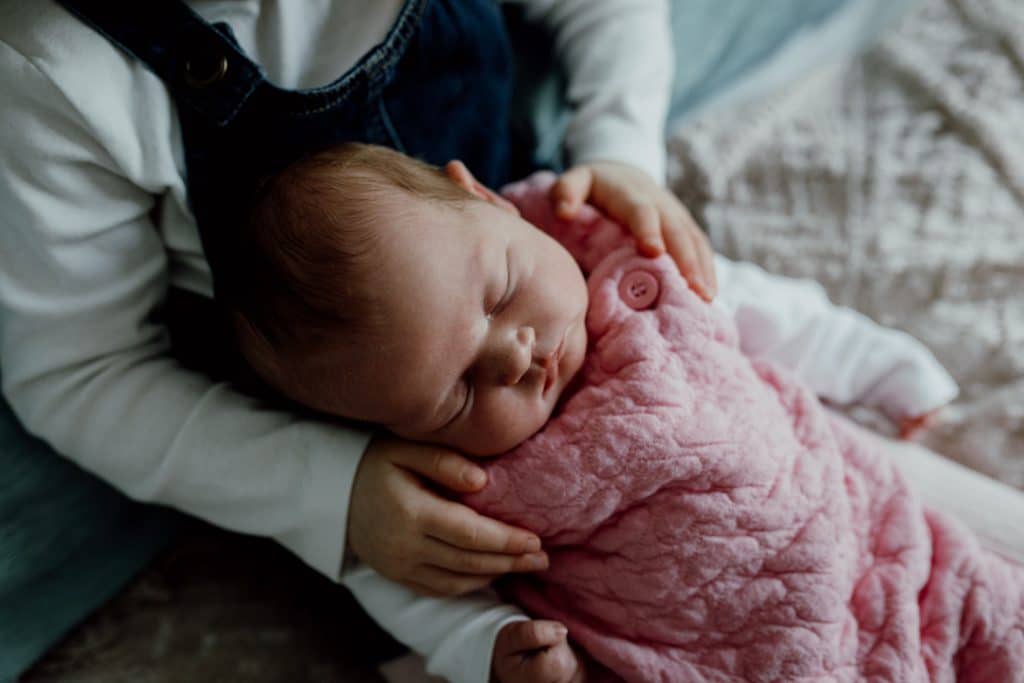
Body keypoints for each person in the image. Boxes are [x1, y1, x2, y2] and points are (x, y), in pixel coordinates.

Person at [0, 0, 719, 629]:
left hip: (535, 224)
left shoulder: (607, 275)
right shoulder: (51, 65)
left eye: (497, 300)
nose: (518, 354)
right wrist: (333, 489)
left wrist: (620, 153)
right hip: (380, 417)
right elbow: (80, 371)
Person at [224, 141, 1023, 682]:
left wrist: (886, 367)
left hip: (868, 539)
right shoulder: (458, 483)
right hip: (718, 655)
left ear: (493, 204)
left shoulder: (628, 264)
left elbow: (769, 314)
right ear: (396, 431)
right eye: (459, 390)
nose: (515, 354)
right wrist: (489, 647)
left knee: (992, 616)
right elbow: (413, 583)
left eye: (501, 294)